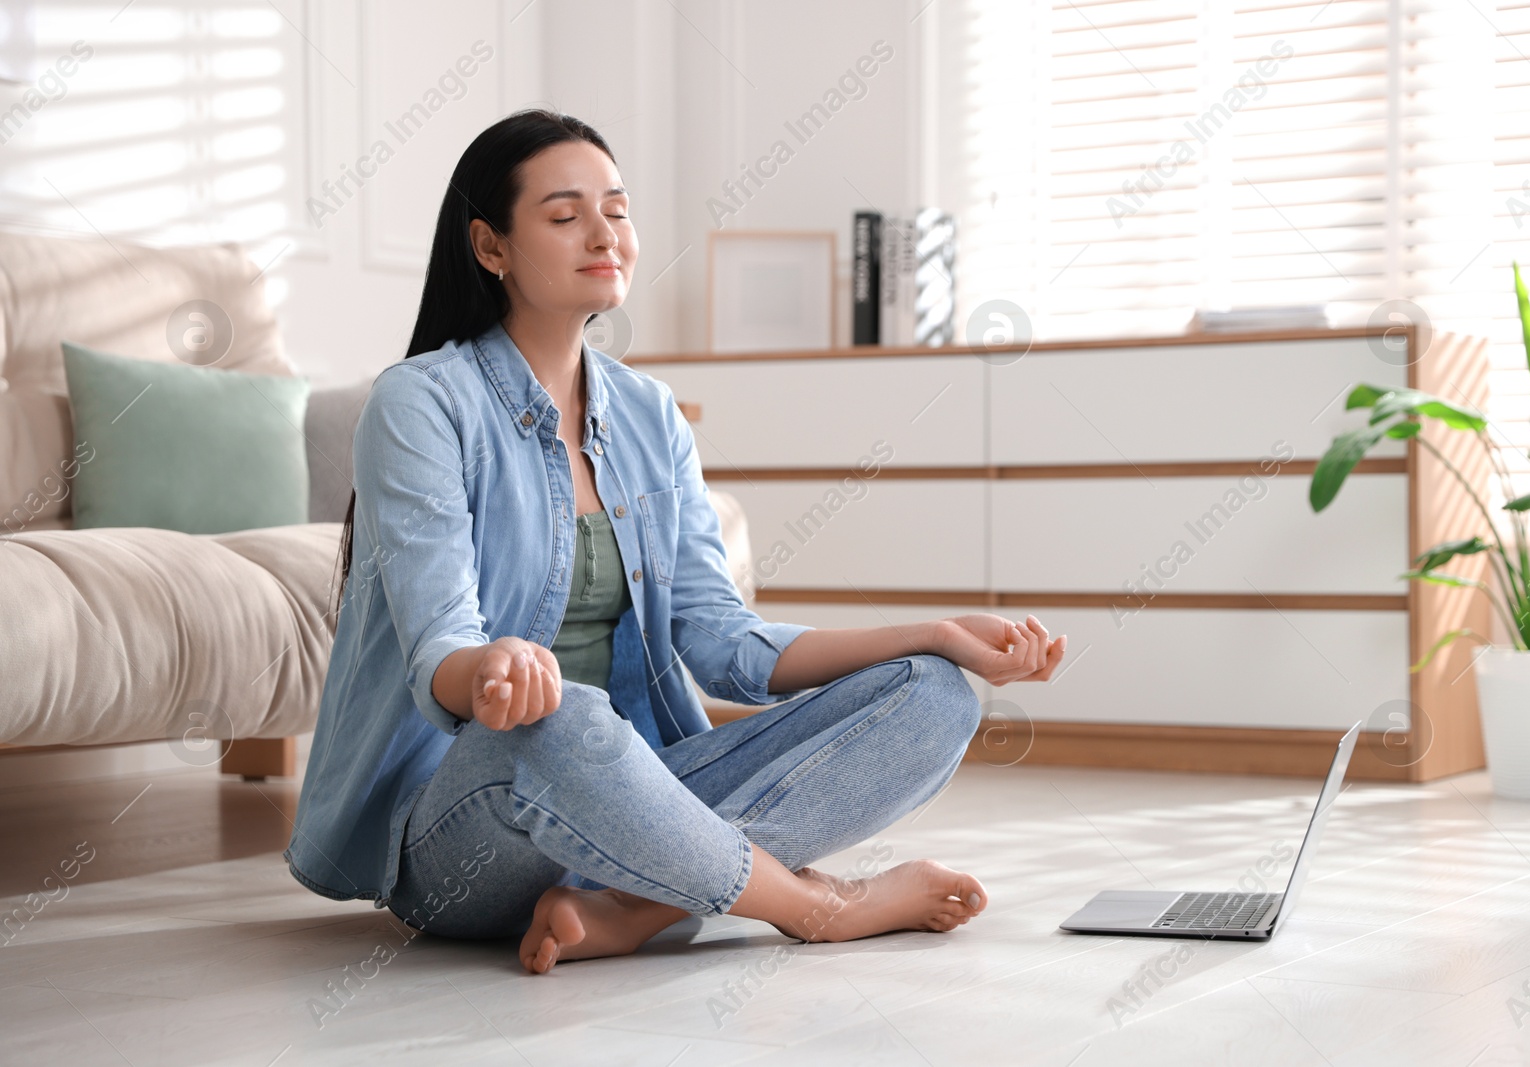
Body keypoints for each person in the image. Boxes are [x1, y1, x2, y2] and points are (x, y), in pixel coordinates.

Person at [283, 108, 1069, 975]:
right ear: (491, 246)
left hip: (646, 804)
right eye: (563, 214)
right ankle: (815, 905)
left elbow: (724, 644)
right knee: (564, 718)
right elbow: (442, 645)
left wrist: (931, 634)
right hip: (471, 827)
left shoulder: (652, 415)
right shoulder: (421, 404)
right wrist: (495, 673)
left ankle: (635, 907)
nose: (603, 232)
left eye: (616, 209)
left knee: (935, 695)